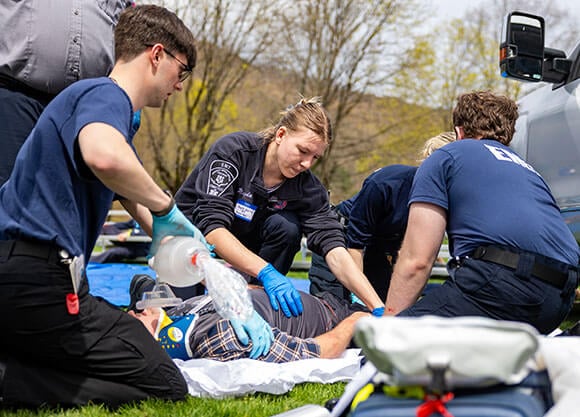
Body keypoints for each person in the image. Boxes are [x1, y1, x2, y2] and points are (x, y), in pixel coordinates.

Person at [0, 5, 213, 408]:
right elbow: (106, 158)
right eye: (181, 71)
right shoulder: (104, 94)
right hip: (40, 284)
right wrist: (169, 209)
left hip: (23, 280)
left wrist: (192, 246)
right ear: (156, 55)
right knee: (165, 384)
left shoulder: (89, 103)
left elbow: (127, 188)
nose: (180, 86)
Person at [383, 90, 580, 335]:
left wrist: (388, 328)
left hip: (501, 285)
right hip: (559, 300)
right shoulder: (529, 170)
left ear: (458, 131)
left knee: (390, 347)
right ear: (507, 135)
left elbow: (417, 260)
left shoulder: (446, 156)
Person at [174, 97, 385, 318]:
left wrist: (375, 305)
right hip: (189, 241)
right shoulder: (234, 151)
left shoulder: (308, 187)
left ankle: (256, 297)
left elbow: (334, 249)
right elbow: (212, 228)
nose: (307, 164)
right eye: (303, 151)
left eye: (315, 157)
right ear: (281, 134)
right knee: (182, 315)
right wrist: (266, 272)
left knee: (286, 226)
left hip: (247, 254)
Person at [0, 0, 135, 187]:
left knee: (72, 203)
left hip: (87, 108)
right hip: (14, 97)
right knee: (7, 197)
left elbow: (128, 25)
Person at [308, 132, 455, 302]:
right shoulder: (387, 183)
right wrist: (359, 296)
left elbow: (409, 254)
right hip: (342, 239)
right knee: (335, 307)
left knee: (386, 305)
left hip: (378, 248)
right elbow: (356, 245)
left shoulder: (443, 203)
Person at [130, 287, 369, 362]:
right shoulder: (223, 337)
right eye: (132, 319)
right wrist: (357, 319)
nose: (132, 312)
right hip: (337, 316)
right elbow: (318, 352)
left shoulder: (179, 314)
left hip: (322, 299)